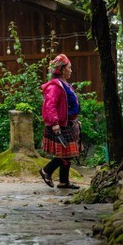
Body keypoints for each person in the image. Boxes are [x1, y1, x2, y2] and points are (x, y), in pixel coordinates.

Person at [39, 53, 80, 190]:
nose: (71, 70)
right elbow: (50, 105)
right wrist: (55, 123)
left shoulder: (64, 84)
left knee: (67, 154)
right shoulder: (55, 86)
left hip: (67, 123)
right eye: (69, 67)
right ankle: (46, 171)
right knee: (68, 153)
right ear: (62, 69)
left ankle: (63, 182)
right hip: (59, 124)